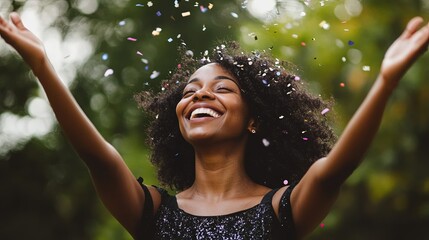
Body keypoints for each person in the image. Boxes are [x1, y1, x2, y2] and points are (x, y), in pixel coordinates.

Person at [1, 11, 428, 240]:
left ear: (254, 118)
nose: (200, 95)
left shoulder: (282, 210)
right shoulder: (152, 213)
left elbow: (336, 168)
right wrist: (41, 64)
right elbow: (97, 157)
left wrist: (387, 82)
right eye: (190, 91)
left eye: (222, 88)